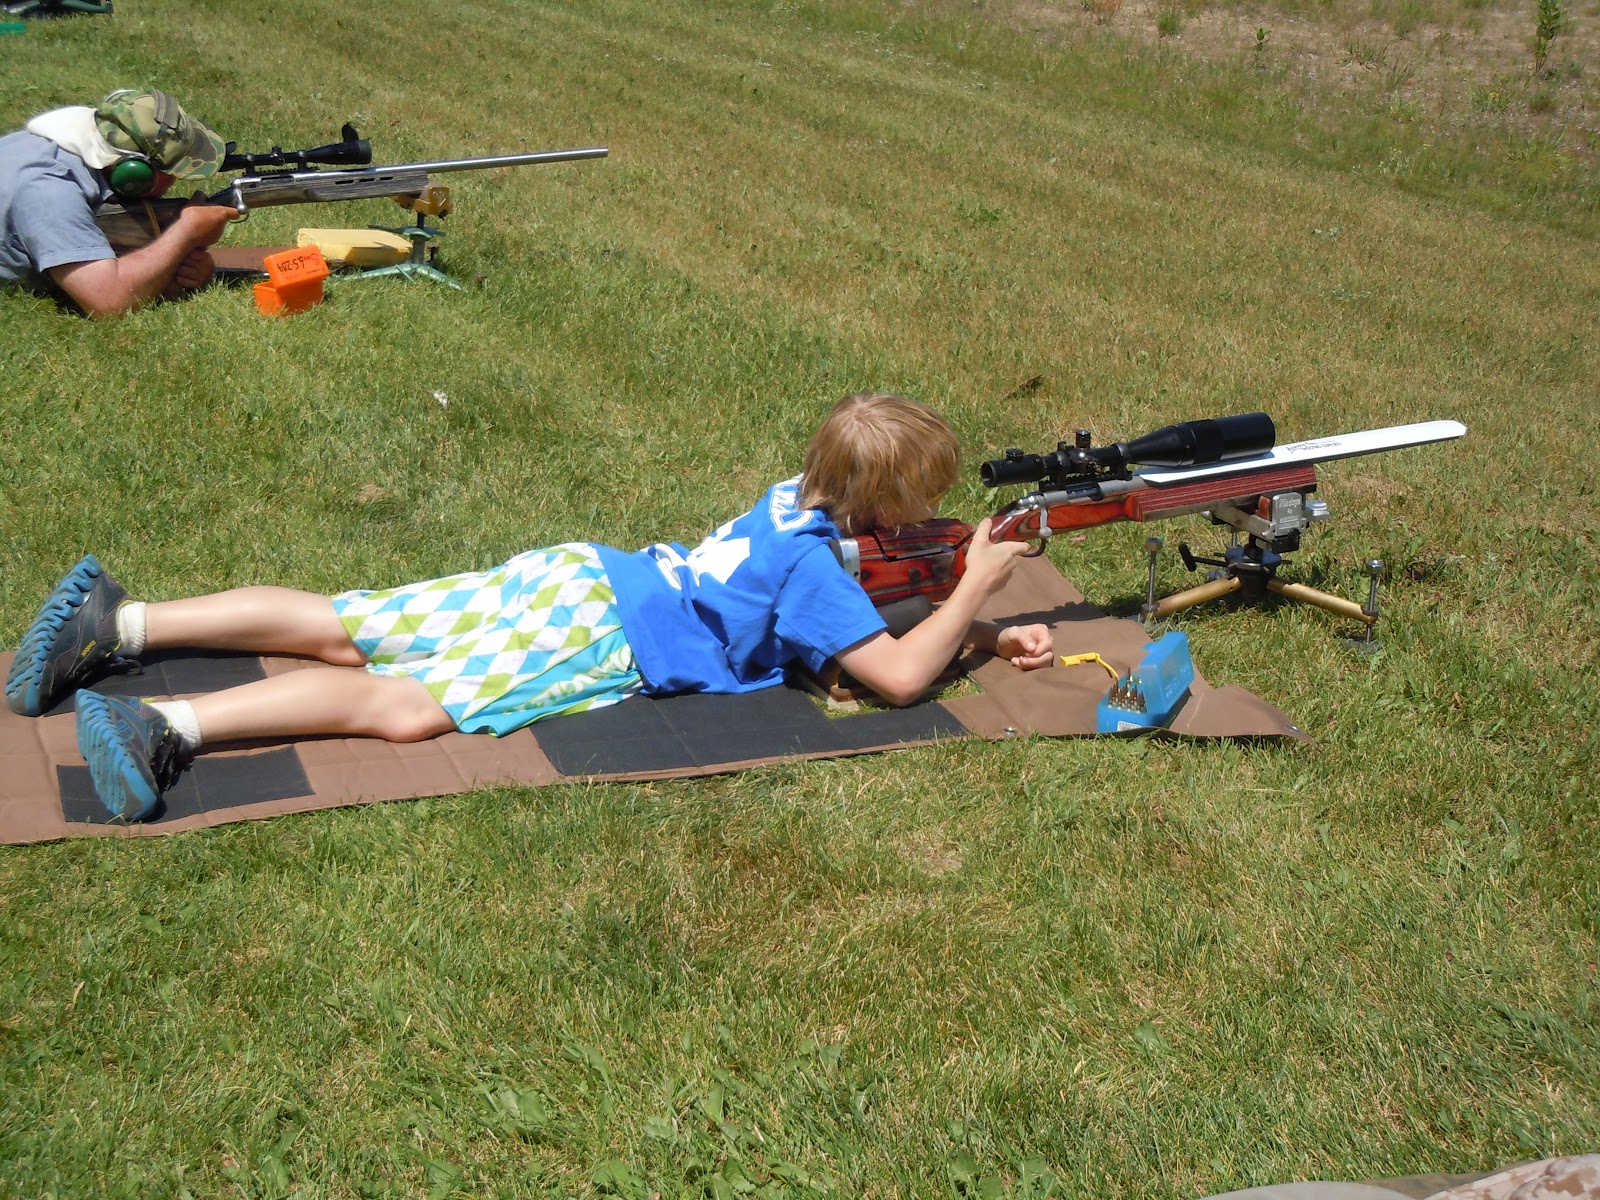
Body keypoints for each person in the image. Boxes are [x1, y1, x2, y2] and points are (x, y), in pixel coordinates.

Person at [4, 393, 1056, 821]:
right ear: (887, 503)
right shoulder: (819, 574)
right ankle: (164, 724)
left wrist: (979, 629)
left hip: (577, 574)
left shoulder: (796, 501)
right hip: (600, 633)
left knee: (347, 620)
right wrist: (977, 586)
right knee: (404, 705)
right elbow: (896, 678)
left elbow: (849, 613)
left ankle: (123, 625)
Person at [0, 87, 237, 315]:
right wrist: (186, 232)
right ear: (134, 174)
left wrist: (180, 264)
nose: (176, 180)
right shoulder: (50, 192)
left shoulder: (73, 149)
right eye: (173, 170)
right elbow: (108, 302)